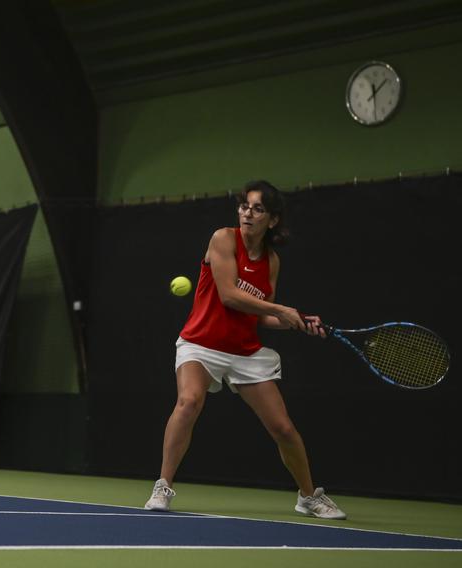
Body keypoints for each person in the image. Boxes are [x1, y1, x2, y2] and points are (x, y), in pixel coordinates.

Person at [144, 180, 347, 520]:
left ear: (273, 219)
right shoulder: (223, 238)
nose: (247, 213)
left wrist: (296, 322)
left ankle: (308, 496)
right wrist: (284, 310)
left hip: (243, 351)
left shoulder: (272, 261)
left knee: (283, 428)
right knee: (189, 401)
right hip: (201, 343)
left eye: (257, 208)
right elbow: (228, 295)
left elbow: (261, 315)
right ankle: (163, 485)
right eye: (243, 206)